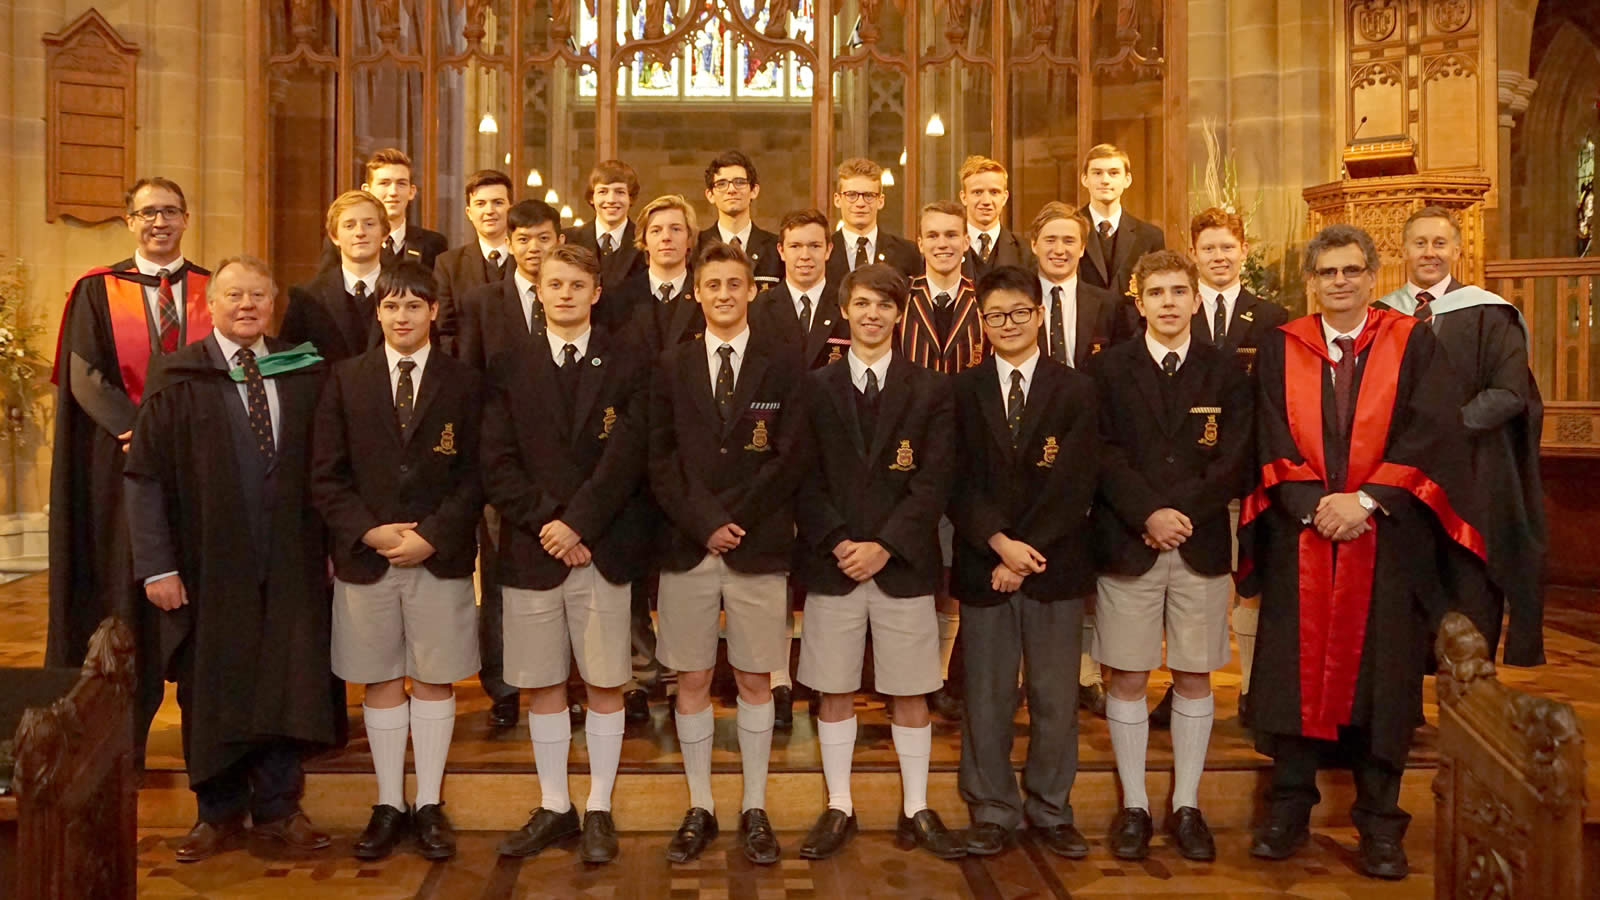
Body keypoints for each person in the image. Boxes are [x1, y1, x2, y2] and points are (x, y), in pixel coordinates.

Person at [1240, 225, 1485, 880]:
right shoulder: (1281, 346)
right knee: (1293, 677)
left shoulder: (1412, 343)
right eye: (1327, 272)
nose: (1340, 282)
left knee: (1387, 681)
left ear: (1373, 277)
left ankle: (1380, 823)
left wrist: (1366, 502)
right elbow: (1265, 430)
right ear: (1311, 281)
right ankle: (1289, 808)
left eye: (1351, 271)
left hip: (1386, 540)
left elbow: (1430, 430)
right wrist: (1313, 506)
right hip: (1303, 539)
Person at [124, 256, 342, 862]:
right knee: (212, 682)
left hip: (292, 557)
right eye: (234, 296)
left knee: (286, 677)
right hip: (207, 562)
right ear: (210, 305)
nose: (247, 306)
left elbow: (329, 467)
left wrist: (331, 548)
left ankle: (279, 807)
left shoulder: (302, 370)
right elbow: (143, 479)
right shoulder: (178, 375)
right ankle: (215, 811)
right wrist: (157, 566)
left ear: (272, 305)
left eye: (258, 296)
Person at [482, 245, 653, 865]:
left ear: (596, 292)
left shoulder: (631, 359)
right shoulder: (508, 363)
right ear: (539, 289)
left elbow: (630, 456)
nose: (564, 294)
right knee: (543, 685)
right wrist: (548, 523)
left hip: (601, 546)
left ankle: (600, 806)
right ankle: (556, 804)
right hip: (533, 549)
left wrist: (578, 522)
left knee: (607, 682)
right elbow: (494, 461)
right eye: (553, 284)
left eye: (576, 285)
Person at [310, 263, 483, 861]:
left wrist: (432, 535)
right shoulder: (345, 379)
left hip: (440, 555)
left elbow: (477, 475)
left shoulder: (464, 381)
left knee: (434, 679)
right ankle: (389, 802)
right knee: (381, 678)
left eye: (414, 306)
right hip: (368, 556)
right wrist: (372, 531)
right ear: (378, 313)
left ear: (434, 312)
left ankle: (429, 802)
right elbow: (326, 475)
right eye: (391, 307)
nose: (402, 317)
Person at [793, 263, 965, 862]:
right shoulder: (814, 387)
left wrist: (886, 545)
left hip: (903, 563)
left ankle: (917, 805)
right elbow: (802, 477)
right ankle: (839, 802)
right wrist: (841, 541)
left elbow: (935, 479)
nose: (872, 314)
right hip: (833, 562)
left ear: (900, 314)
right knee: (834, 689)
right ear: (847, 309)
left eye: (884, 306)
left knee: (911, 690)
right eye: (862, 303)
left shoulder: (931, 388)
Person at [649, 242, 810, 865]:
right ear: (697, 292)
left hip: (758, 543)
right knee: (690, 676)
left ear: (751, 292)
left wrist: (734, 519)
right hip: (687, 546)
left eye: (734, 284)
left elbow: (790, 455)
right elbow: (658, 458)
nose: (722, 293)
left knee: (753, 678)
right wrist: (704, 521)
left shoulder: (783, 363)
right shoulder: (670, 364)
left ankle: (754, 804)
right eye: (711, 284)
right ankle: (700, 805)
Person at [1089, 250, 1253, 862]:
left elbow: (1234, 455)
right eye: (1155, 292)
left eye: (1178, 291)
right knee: (1127, 676)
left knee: (1192, 674)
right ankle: (1134, 804)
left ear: (1194, 298)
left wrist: (1179, 514)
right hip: (1129, 541)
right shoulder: (1107, 370)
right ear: (1138, 301)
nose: (1168, 302)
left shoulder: (1227, 369)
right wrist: (1146, 514)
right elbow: (1101, 452)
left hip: (1201, 541)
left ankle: (1187, 803)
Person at [48, 177, 212, 768]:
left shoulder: (213, 290)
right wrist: (143, 435)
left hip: (197, 472)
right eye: (147, 213)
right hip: (120, 475)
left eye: (170, 211)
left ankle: (209, 750)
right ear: (129, 220)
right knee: (124, 599)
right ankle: (121, 748)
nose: (159, 222)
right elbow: (84, 376)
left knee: (199, 600)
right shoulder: (96, 290)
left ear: (186, 218)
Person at [949, 264, 1100, 859]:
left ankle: (1051, 808)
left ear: (1039, 315)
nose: (1007, 324)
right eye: (994, 316)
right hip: (984, 564)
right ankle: (991, 807)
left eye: (1018, 312)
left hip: (1054, 567)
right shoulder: (962, 390)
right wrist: (998, 543)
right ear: (982, 323)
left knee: (1055, 694)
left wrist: (1023, 553)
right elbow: (954, 480)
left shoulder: (1076, 389)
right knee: (985, 694)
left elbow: (1076, 482)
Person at [1376, 206, 1545, 667]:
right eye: (1420, 243)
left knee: (1470, 582)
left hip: (1472, 473)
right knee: (1406, 586)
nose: (1429, 253)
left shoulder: (1492, 314)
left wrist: (1441, 435)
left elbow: (1509, 392)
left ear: (1456, 248)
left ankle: (1472, 702)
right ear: (1403, 249)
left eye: (1439, 243)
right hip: (1402, 476)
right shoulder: (1380, 316)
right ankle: (1402, 705)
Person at [1184, 207, 1288, 727]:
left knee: (1248, 580)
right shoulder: (1176, 309)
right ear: (1193, 255)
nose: (1218, 257)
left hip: (1248, 469)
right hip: (1188, 475)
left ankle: (1250, 688)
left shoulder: (1271, 316)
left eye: (1227, 247)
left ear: (1243, 251)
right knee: (1193, 585)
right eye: (1208, 249)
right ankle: (1185, 684)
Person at [903, 201, 986, 720]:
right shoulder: (900, 298)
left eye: (952, 235)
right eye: (932, 235)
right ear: (920, 241)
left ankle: (942, 676)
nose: (943, 243)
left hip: (972, 449)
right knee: (917, 567)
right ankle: (913, 678)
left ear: (966, 241)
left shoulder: (985, 300)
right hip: (907, 450)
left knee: (955, 572)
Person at [280, 190, 390, 361]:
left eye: (369, 224)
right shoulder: (307, 297)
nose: (360, 232)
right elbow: (292, 363)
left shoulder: (406, 291)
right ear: (334, 236)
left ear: (384, 233)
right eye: (349, 225)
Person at [455, 199, 564, 371]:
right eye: (523, 239)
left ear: (560, 241)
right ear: (509, 245)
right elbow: (469, 372)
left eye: (543, 238)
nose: (534, 247)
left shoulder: (576, 298)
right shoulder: (480, 302)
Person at [1075, 143, 1165, 342]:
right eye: (1097, 173)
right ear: (1084, 179)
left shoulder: (1150, 237)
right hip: (1080, 341)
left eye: (1113, 173)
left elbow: (1157, 295)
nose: (1105, 180)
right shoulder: (1069, 230)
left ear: (1127, 179)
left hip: (1133, 343)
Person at [318, 148, 447, 273]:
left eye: (401, 183)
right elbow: (327, 290)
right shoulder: (345, 240)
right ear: (366, 190)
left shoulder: (433, 244)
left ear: (412, 192)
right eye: (384, 183)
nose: (393, 192)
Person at [752, 208, 846, 369]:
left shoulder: (847, 306)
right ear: (781, 251)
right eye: (795, 246)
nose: (805, 255)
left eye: (814, 246)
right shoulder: (758, 308)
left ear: (828, 250)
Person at [433, 169, 514, 355]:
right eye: (480, 203)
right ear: (469, 212)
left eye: (498, 202)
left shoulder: (527, 261)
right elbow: (443, 330)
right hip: (465, 374)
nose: (489, 211)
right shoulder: (448, 265)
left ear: (511, 208)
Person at [620, 195, 704, 351]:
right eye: (656, 230)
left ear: (689, 238)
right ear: (644, 241)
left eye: (676, 229)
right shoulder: (620, 298)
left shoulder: (706, 296)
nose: (666, 237)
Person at [826, 157, 921, 285]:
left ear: (881, 201)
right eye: (851, 195)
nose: (860, 203)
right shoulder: (823, 252)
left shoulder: (907, 252)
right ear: (837, 200)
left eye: (869, 196)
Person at [698, 149, 783, 284]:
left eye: (740, 182)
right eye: (721, 184)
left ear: (754, 191)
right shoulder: (697, 247)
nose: (731, 190)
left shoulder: (776, 248)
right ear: (710, 195)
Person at [563, 159, 647, 292]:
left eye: (619, 192)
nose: (611, 200)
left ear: (630, 198)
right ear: (592, 197)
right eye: (603, 192)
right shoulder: (568, 240)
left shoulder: (646, 240)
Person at [959, 155, 1034, 280]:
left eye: (994, 192)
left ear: (1004, 198)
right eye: (977, 192)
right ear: (964, 197)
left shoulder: (1025, 252)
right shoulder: (949, 247)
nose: (986, 201)